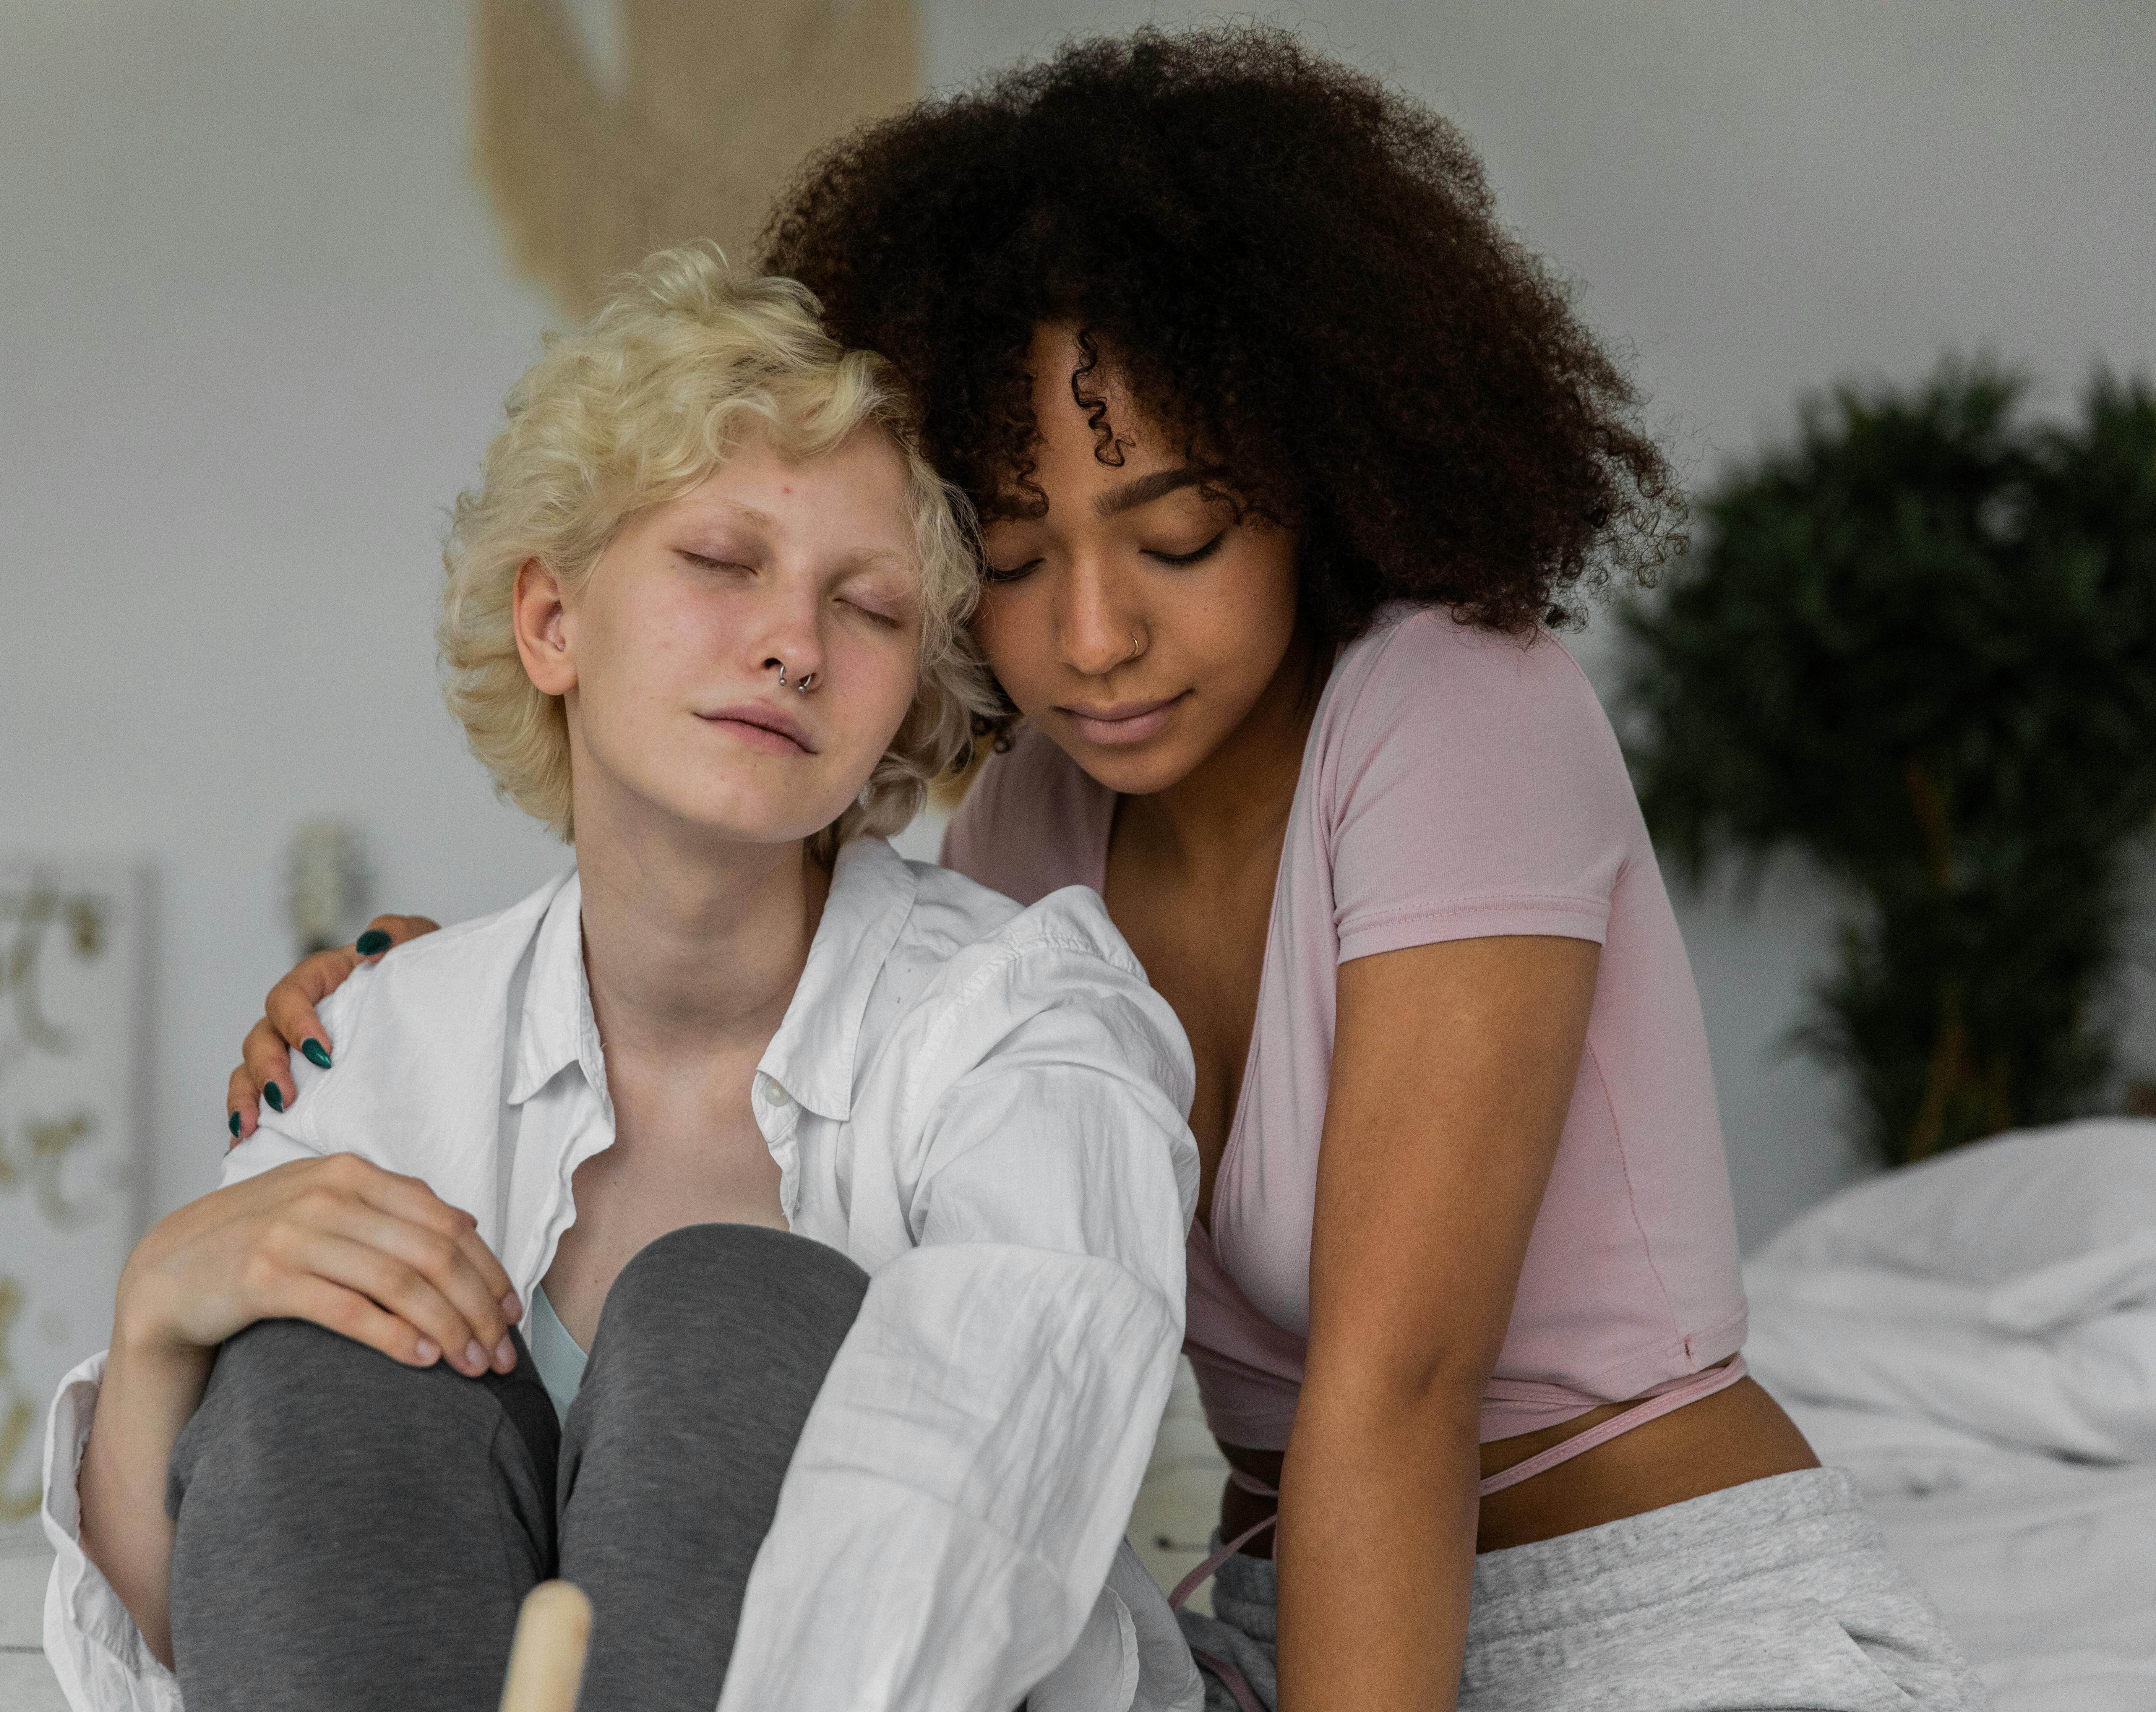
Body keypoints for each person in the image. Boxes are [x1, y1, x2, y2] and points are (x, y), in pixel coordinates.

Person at [231, 28, 1988, 1712]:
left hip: (1662, 1614)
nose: (1092, 635)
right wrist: (419, 1009)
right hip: (1284, 1631)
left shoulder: (1460, 715)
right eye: (1007, 553)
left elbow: (1400, 1384)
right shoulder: (1037, 820)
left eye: (1179, 537)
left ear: (1323, 477)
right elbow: (755, 925)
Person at [46, 247, 1206, 1712]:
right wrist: (157, 1318)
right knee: (308, 1360)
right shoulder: (388, 1041)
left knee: (725, 1306)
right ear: (552, 623)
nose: (792, 644)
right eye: (723, 564)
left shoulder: (1026, 1024)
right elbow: (191, 1621)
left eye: (869, 609)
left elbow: (975, 1520)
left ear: (909, 694)